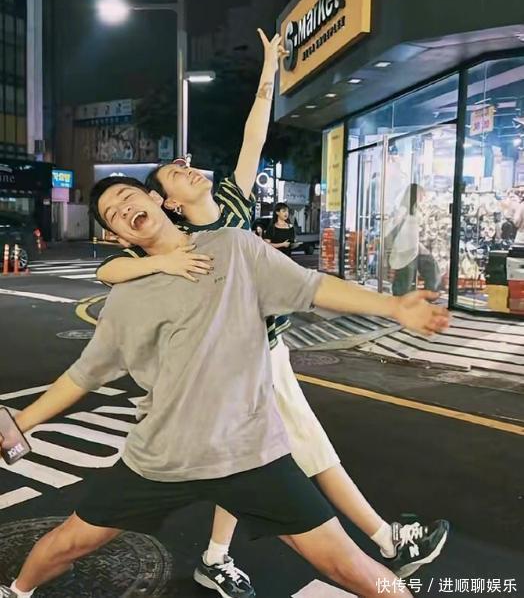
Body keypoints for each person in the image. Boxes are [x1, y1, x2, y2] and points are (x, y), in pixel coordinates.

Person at [96, 37, 449, 595]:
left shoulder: (234, 203)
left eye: (186, 164)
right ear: (167, 202)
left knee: (254, 456)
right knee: (303, 447)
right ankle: (386, 541)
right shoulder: (177, 240)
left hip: (269, 349)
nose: (188, 167)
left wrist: (269, 73)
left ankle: (220, 556)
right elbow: (109, 271)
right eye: (175, 171)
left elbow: (253, 135)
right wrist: (159, 264)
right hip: (242, 360)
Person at [0, 176, 451, 598]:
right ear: (118, 237)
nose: (123, 209)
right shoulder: (126, 298)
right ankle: (17, 591)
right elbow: (84, 373)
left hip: (249, 453)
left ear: (155, 200)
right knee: (67, 544)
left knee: (348, 566)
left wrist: (392, 306)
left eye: (127, 197)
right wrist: (20, 422)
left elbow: (312, 287)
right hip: (161, 457)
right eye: (112, 214)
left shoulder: (234, 247)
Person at [386, 184, 441, 297]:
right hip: (405, 249)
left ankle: (428, 295)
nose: (422, 198)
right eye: (421, 194)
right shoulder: (404, 209)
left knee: (431, 269)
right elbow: (394, 226)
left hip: (415, 247)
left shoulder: (415, 210)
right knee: (405, 279)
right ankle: (401, 301)